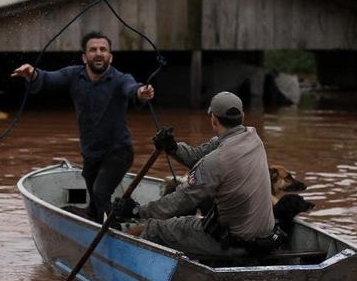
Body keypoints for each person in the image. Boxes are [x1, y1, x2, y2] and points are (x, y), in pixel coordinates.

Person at [112, 91, 276, 259]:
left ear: (213, 119)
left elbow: (179, 201)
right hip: (264, 236)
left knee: (155, 228)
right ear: (242, 116)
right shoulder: (254, 138)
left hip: (235, 242)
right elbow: (199, 155)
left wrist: (137, 211)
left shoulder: (215, 161)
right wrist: (172, 147)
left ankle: (127, 262)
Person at [11, 32, 155, 221]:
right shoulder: (73, 75)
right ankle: (96, 224)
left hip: (118, 152)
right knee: (94, 206)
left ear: (110, 57)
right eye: (93, 50)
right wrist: (33, 74)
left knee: (100, 192)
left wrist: (141, 93)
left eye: (103, 50)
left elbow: (132, 89)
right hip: (91, 153)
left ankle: (116, 232)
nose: (98, 53)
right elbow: (49, 78)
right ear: (84, 57)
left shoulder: (120, 79)